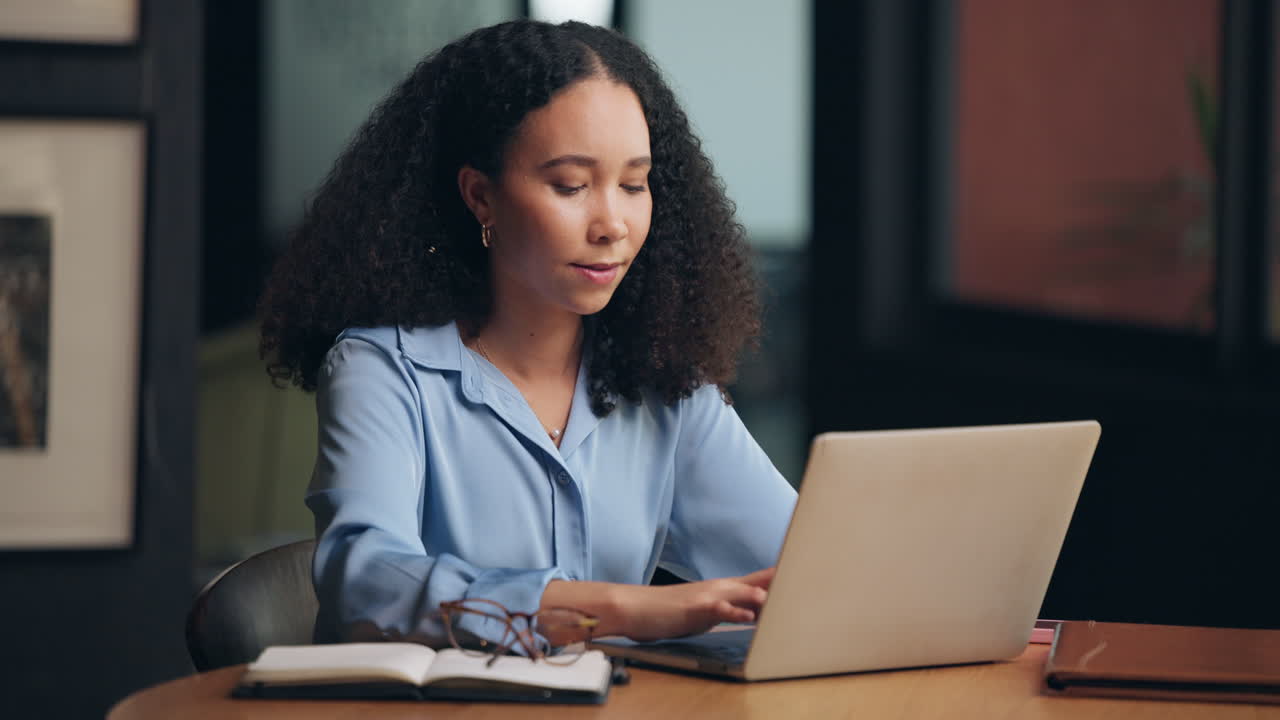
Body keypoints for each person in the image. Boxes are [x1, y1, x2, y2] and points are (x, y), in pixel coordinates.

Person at [258, 19, 797, 651]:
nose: (612, 225)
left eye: (633, 185)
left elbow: (803, 568)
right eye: (571, 186)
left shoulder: (662, 380)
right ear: (481, 197)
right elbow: (369, 584)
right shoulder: (382, 367)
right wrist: (620, 610)